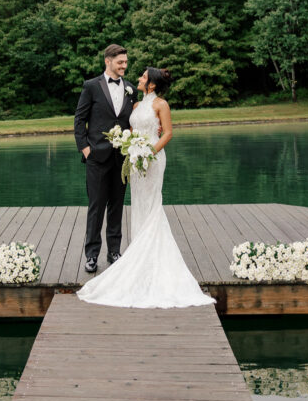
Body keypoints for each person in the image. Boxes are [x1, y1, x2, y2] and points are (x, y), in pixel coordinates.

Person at [77, 67, 215, 308]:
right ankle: (131, 252)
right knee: (137, 204)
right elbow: (128, 127)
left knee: (151, 204)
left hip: (152, 159)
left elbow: (168, 132)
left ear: (151, 85)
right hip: (133, 158)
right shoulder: (137, 104)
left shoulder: (161, 104)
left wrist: (150, 151)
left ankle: (141, 253)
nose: (137, 78)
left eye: (143, 77)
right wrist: (129, 144)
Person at [73, 44, 136, 273]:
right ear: (107, 61)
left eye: (126, 62)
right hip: (97, 157)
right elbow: (79, 119)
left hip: (122, 160)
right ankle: (91, 256)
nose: (124, 66)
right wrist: (85, 149)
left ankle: (114, 252)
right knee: (96, 207)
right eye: (120, 62)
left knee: (117, 207)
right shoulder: (91, 86)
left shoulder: (130, 88)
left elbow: (132, 121)